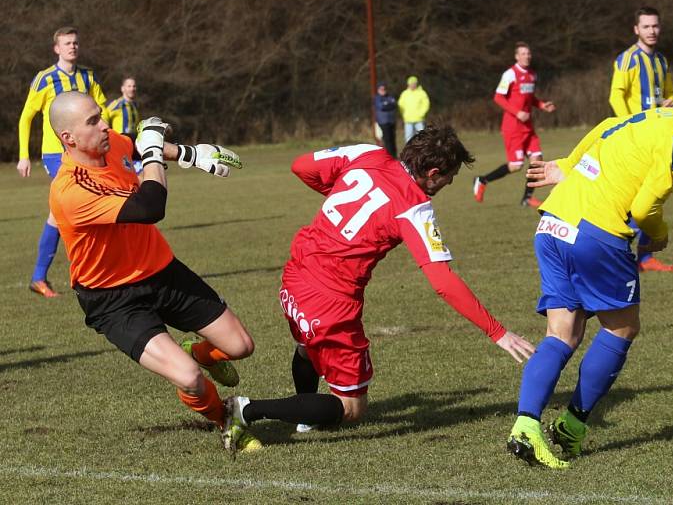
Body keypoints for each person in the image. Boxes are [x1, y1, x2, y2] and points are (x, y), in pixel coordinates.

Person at [219, 125, 535, 457]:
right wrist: (497, 332)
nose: (449, 184)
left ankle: (304, 419)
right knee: (352, 408)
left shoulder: (367, 152)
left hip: (297, 271)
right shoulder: (414, 206)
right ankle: (246, 410)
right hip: (330, 300)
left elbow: (300, 166)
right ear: (432, 173)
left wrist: (336, 194)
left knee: (307, 347)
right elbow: (442, 281)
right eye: (449, 177)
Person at [505, 93, 673, 469]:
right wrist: (658, 234)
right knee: (622, 328)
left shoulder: (668, 116)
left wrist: (571, 165)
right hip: (597, 233)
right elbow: (644, 208)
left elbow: (609, 125)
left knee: (561, 334)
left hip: (553, 221)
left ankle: (526, 425)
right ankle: (572, 424)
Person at [47, 90, 262, 453]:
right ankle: (226, 420)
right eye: (93, 121)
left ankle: (200, 351)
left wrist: (191, 155)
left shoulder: (108, 143)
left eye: (101, 116)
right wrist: (150, 152)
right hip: (113, 299)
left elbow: (133, 145)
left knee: (241, 346)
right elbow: (149, 206)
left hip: (162, 271)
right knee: (190, 380)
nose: (105, 126)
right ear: (68, 138)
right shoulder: (71, 191)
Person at [17, 27, 108, 298]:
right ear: (56, 48)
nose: (73, 46)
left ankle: (41, 277)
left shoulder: (87, 77)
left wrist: (109, 139)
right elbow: (26, 117)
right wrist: (24, 155)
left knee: (61, 214)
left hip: (87, 152)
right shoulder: (44, 79)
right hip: (57, 155)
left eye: (76, 42)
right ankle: (82, 273)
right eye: (67, 43)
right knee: (75, 206)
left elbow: (103, 111)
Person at [608, 6, 673, 273]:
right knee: (634, 199)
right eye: (646, 26)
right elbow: (616, 95)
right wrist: (630, 126)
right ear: (636, 29)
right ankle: (622, 253)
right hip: (635, 139)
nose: (652, 31)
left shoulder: (661, 60)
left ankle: (645, 258)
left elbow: (670, 93)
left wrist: (672, 102)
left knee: (656, 195)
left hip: (657, 139)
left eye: (655, 26)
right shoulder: (628, 59)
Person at [473, 42, 556, 208]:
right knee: (516, 166)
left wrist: (541, 105)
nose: (527, 56)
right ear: (517, 56)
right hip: (513, 127)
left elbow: (529, 98)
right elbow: (498, 97)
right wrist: (517, 113)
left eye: (528, 53)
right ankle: (482, 180)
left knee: (537, 161)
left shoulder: (532, 75)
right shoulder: (510, 74)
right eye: (523, 53)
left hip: (528, 127)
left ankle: (527, 198)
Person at [397, 75, 430, 143]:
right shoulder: (405, 93)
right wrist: (404, 114)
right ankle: (409, 152)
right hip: (408, 120)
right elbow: (400, 105)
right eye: (411, 84)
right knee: (408, 138)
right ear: (408, 84)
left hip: (419, 119)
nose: (412, 85)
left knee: (422, 137)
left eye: (414, 83)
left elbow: (426, 104)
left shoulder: (421, 93)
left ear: (416, 84)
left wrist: (421, 113)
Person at [373, 81, 398, 158]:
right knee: (387, 140)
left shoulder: (390, 96)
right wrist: (388, 104)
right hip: (383, 122)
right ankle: (389, 156)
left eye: (384, 89)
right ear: (378, 90)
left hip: (391, 121)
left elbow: (394, 105)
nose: (383, 90)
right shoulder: (377, 98)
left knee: (393, 139)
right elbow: (381, 107)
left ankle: (394, 156)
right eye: (381, 89)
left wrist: (387, 104)